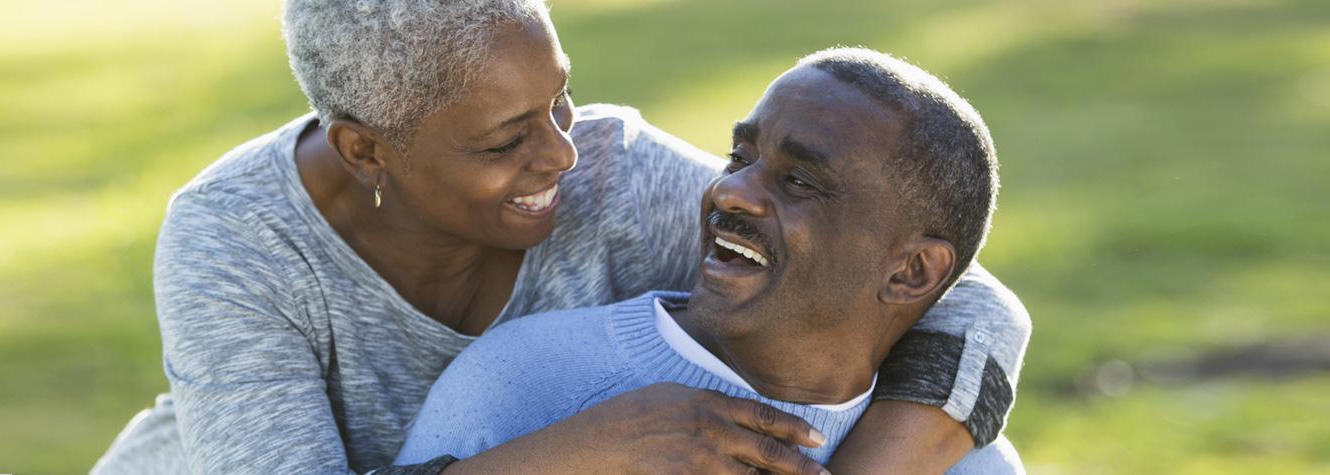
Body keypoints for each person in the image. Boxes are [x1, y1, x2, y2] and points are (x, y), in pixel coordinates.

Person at [93, 1, 1031, 474]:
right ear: (366, 149)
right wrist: (578, 450)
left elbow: (955, 290)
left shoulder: (607, 173)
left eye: (559, 100)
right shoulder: (239, 242)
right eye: (506, 139)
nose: (559, 153)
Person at [396, 46, 1026, 474]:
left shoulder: (962, 460)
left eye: (800, 182)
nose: (729, 191)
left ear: (912, 271)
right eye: (739, 157)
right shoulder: (524, 385)